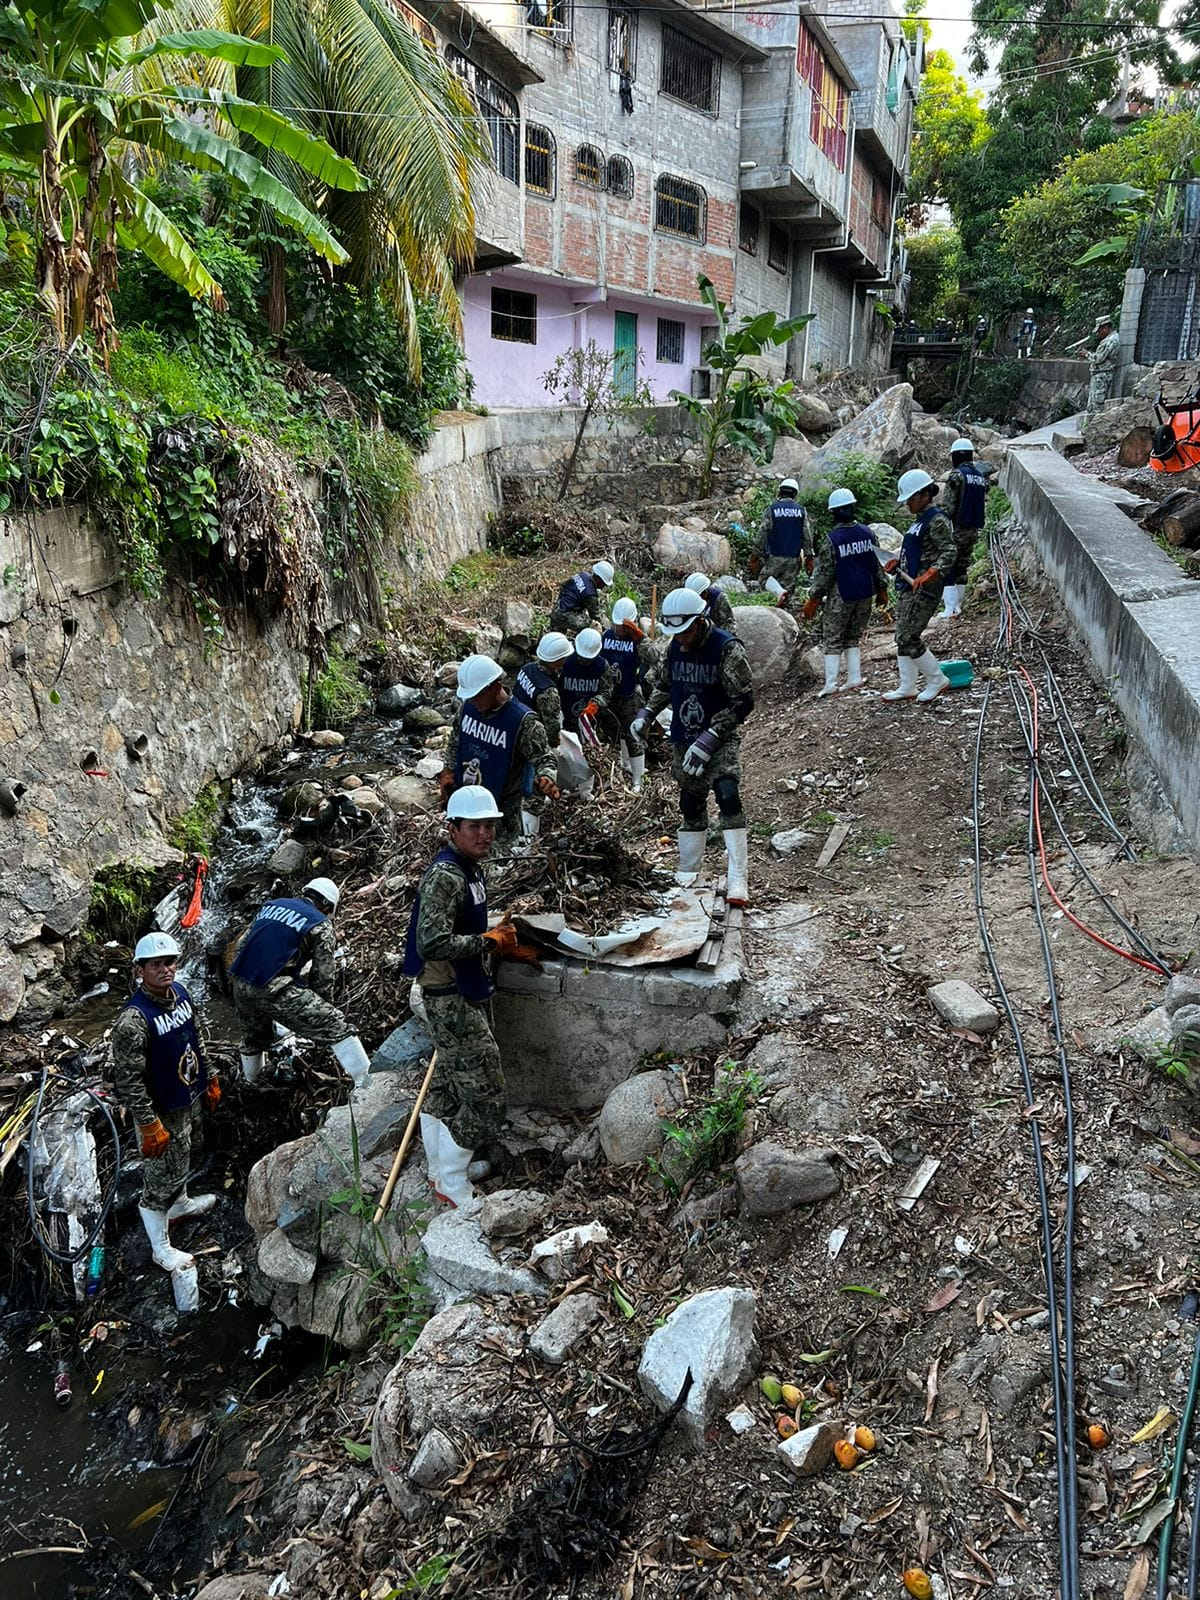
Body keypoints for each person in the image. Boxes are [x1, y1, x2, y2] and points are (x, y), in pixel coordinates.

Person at [403, 786, 539, 1204]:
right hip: (449, 996)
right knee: (487, 1096)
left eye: (489, 826)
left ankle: (440, 1168)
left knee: (445, 1086)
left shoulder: (468, 867)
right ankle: (452, 1181)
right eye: (474, 826)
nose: (484, 834)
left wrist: (498, 939)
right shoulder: (447, 875)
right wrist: (489, 942)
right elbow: (431, 943)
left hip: (457, 990)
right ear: (452, 828)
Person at [633, 587, 755, 904]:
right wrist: (647, 712)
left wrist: (712, 736)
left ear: (700, 621)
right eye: (676, 633)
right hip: (684, 736)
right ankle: (688, 870)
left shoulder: (726, 649)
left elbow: (744, 701)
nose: (681, 638)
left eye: (685, 631)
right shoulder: (676, 646)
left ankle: (738, 877)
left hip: (719, 737)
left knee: (727, 794)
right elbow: (664, 683)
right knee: (690, 801)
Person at [111, 931, 218, 1279]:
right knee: (159, 1178)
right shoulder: (133, 1020)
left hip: (187, 1094)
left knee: (187, 1154)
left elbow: (197, 1035)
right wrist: (146, 1122)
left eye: (169, 962)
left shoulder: (182, 995)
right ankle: (160, 1249)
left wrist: (210, 1077)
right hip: (161, 1109)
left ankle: (181, 1203)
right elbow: (128, 1078)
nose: (165, 969)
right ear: (140, 970)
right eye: (156, 964)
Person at [229, 877, 371, 1087]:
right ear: (327, 905)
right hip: (275, 987)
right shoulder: (320, 922)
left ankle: (252, 1085)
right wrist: (322, 1009)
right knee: (336, 1025)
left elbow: (242, 944)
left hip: (241, 982)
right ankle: (367, 1082)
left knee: (254, 1039)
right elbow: (323, 974)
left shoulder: (271, 906)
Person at [441, 654, 558, 843]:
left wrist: (547, 777)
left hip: (501, 808)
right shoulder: (469, 707)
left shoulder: (522, 721)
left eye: (477, 696)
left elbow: (545, 757)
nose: (472, 701)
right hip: (466, 796)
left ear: (495, 687)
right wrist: (447, 772)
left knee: (496, 858)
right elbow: (456, 740)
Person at [882, 469, 958, 704]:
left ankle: (937, 679)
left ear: (925, 494)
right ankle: (907, 685)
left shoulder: (937, 519)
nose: (908, 505)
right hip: (908, 585)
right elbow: (917, 551)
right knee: (901, 636)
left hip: (924, 588)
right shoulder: (919, 522)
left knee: (909, 637)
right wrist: (898, 563)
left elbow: (949, 551)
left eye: (911, 499)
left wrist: (928, 576)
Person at [802, 488, 887, 697]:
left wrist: (813, 599)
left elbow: (825, 575)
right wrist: (882, 589)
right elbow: (878, 565)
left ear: (833, 513)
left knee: (832, 637)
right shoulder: (868, 533)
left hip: (842, 594)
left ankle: (831, 684)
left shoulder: (832, 540)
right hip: (866, 592)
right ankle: (854, 677)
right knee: (853, 636)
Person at [601, 597, 656, 792]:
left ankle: (638, 780)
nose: (620, 629)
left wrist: (640, 637)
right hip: (608, 695)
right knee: (613, 734)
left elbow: (654, 657)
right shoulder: (606, 636)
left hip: (630, 694)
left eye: (624, 626)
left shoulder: (637, 641)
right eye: (618, 625)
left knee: (633, 735)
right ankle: (621, 766)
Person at [937, 437, 989, 620]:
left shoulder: (957, 475)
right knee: (962, 567)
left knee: (948, 567)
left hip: (957, 528)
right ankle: (958, 606)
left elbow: (949, 507)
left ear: (956, 456)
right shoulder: (980, 477)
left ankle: (950, 609)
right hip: (974, 529)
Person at [751, 477, 811, 604]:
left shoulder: (772, 509)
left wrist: (755, 555)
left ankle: (778, 595)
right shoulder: (801, 511)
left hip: (775, 556)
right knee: (788, 588)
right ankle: (784, 613)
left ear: (780, 492)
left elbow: (762, 533)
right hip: (794, 558)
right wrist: (809, 555)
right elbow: (807, 534)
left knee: (764, 579)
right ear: (795, 494)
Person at [513, 631, 571, 750]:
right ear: (558, 661)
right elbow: (552, 728)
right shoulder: (548, 691)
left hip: (513, 721)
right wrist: (556, 745)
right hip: (528, 737)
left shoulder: (527, 668)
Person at [549, 559, 615, 636]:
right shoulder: (591, 595)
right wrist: (606, 630)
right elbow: (595, 616)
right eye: (604, 583)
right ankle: (585, 643)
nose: (604, 586)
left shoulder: (582, 575)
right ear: (598, 579)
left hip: (558, 607)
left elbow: (564, 585)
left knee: (555, 636)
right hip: (565, 615)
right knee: (594, 627)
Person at [1087, 314, 1120, 414]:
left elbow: (1099, 358)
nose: (1098, 333)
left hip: (1102, 376)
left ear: (1105, 328)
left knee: (1098, 404)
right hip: (1099, 375)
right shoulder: (1109, 340)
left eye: (1099, 330)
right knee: (1093, 403)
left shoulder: (1111, 340)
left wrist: (1086, 354)